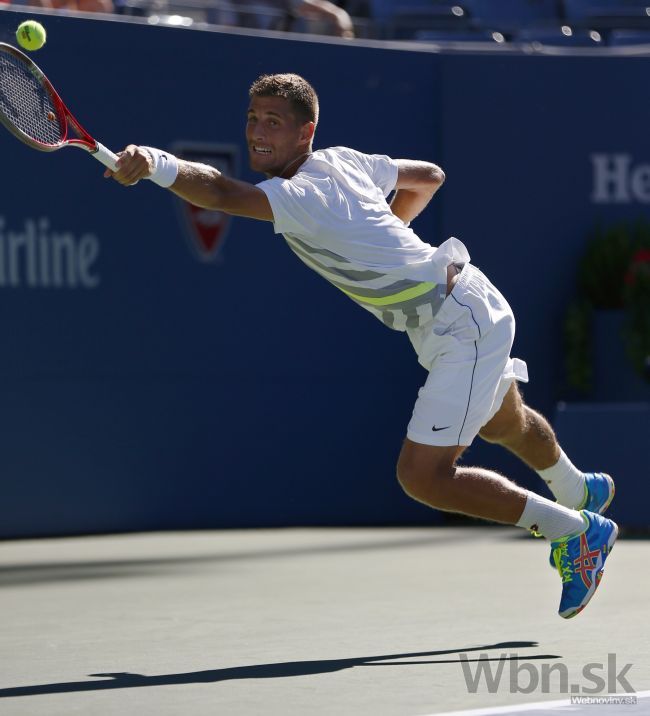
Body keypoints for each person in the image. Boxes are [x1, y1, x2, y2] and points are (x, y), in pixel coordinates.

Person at [105, 73, 617, 619]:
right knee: (503, 423)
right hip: (461, 306)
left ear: (306, 133)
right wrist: (387, 235)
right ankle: (577, 488)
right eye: (253, 119)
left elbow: (221, 192)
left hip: (460, 323)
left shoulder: (304, 193)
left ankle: (576, 532)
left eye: (273, 123)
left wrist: (159, 165)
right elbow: (429, 177)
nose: (257, 132)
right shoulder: (343, 160)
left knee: (423, 476)